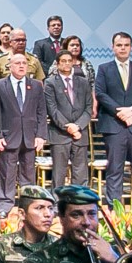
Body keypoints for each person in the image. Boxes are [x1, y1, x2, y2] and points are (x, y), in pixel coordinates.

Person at [96, 32, 132, 212]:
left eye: (126, 45)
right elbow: (100, 93)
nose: (123, 48)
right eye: (119, 45)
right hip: (114, 126)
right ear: (113, 47)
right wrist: (120, 112)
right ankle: (116, 210)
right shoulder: (104, 68)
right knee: (114, 169)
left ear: (131, 47)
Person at [0, 51, 46, 211]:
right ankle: (4, 206)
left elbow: (41, 112)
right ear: (9, 66)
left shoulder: (36, 85)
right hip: (9, 136)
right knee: (7, 174)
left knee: (28, 175)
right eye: (18, 63)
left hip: (30, 137)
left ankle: (28, 206)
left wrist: (41, 136)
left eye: (24, 63)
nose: (22, 66)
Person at [44, 50, 92, 187]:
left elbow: (88, 108)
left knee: (81, 173)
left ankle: (80, 203)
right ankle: (58, 205)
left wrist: (77, 126)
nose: (66, 64)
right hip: (59, 135)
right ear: (57, 64)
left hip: (80, 134)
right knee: (59, 174)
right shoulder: (50, 83)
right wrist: (68, 127)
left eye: (69, 61)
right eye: (63, 61)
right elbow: (52, 110)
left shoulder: (83, 82)